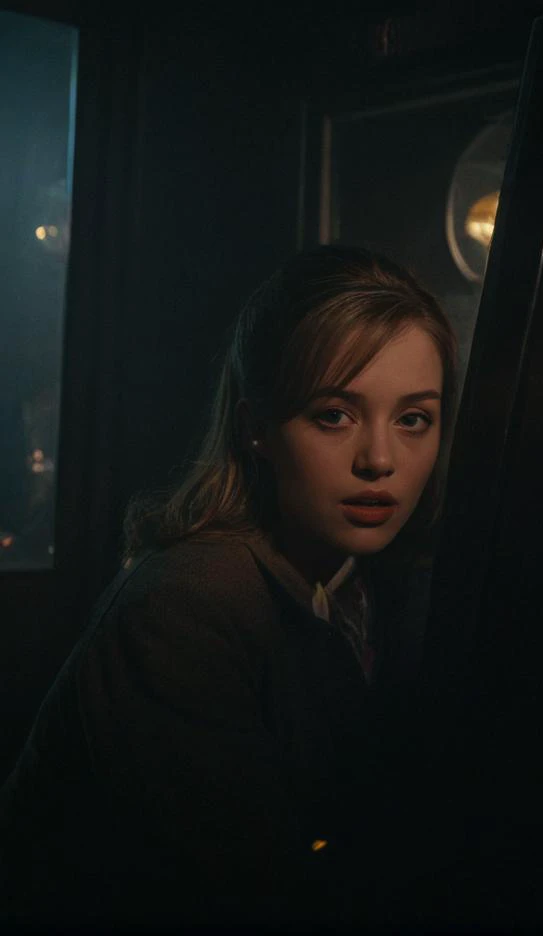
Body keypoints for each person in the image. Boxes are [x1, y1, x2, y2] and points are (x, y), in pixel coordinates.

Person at [0, 245, 458, 929]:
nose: (381, 460)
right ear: (255, 431)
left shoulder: (383, 585)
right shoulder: (188, 603)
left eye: (413, 418)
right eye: (334, 414)